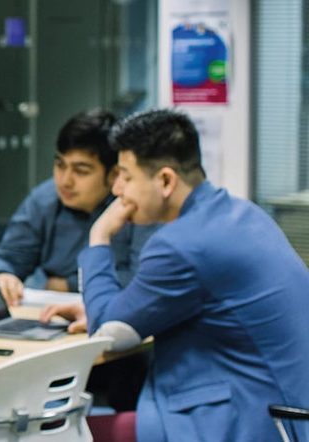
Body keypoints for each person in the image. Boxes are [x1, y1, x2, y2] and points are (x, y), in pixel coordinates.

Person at [42, 109, 309, 441]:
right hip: (281, 411)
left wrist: (99, 237)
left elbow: (108, 331)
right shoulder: (242, 214)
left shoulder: (181, 244)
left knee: (49, 435)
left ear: (165, 181)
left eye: (126, 175)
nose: (117, 189)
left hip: (243, 420)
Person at [0, 109, 156, 306]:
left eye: (81, 171)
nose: (65, 181)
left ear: (114, 174)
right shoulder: (45, 199)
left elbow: (143, 282)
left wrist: (69, 284)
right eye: (60, 165)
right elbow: (8, 257)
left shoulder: (137, 206)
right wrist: (3, 275)